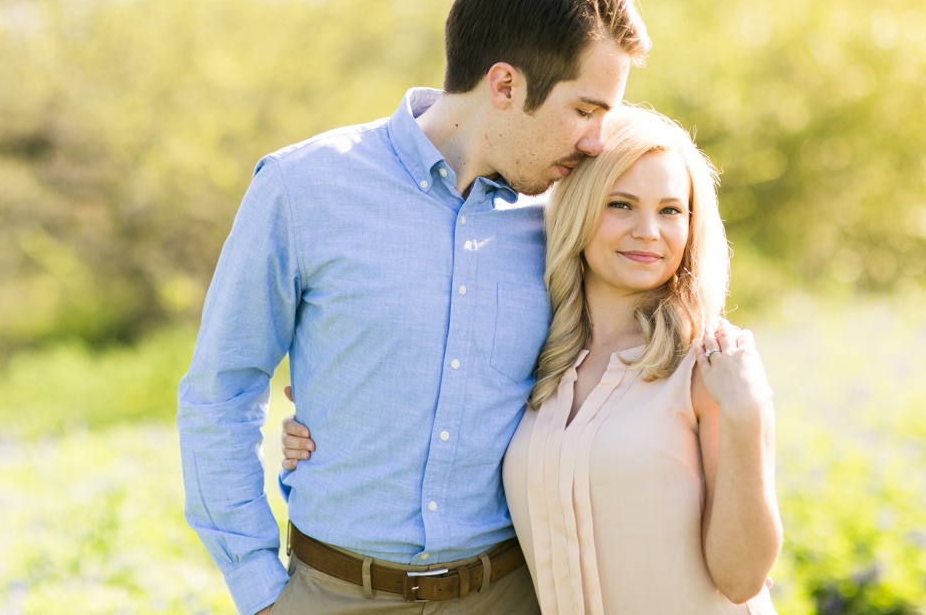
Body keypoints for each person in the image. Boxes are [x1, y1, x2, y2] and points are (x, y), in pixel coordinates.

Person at [177, 0, 650, 615]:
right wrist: (260, 589)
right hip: (330, 593)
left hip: (511, 593)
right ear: (506, 84)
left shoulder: (566, 219)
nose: (598, 141)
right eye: (586, 109)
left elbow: (640, 333)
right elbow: (220, 391)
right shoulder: (302, 188)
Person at [285, 106, 782, 614]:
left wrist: (747, 413)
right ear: (579, 209)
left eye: (671, 210)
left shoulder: (711, 366)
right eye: (621, 204)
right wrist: (328, 420)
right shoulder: (537, 356)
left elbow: (742, 579)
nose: (649, 230)